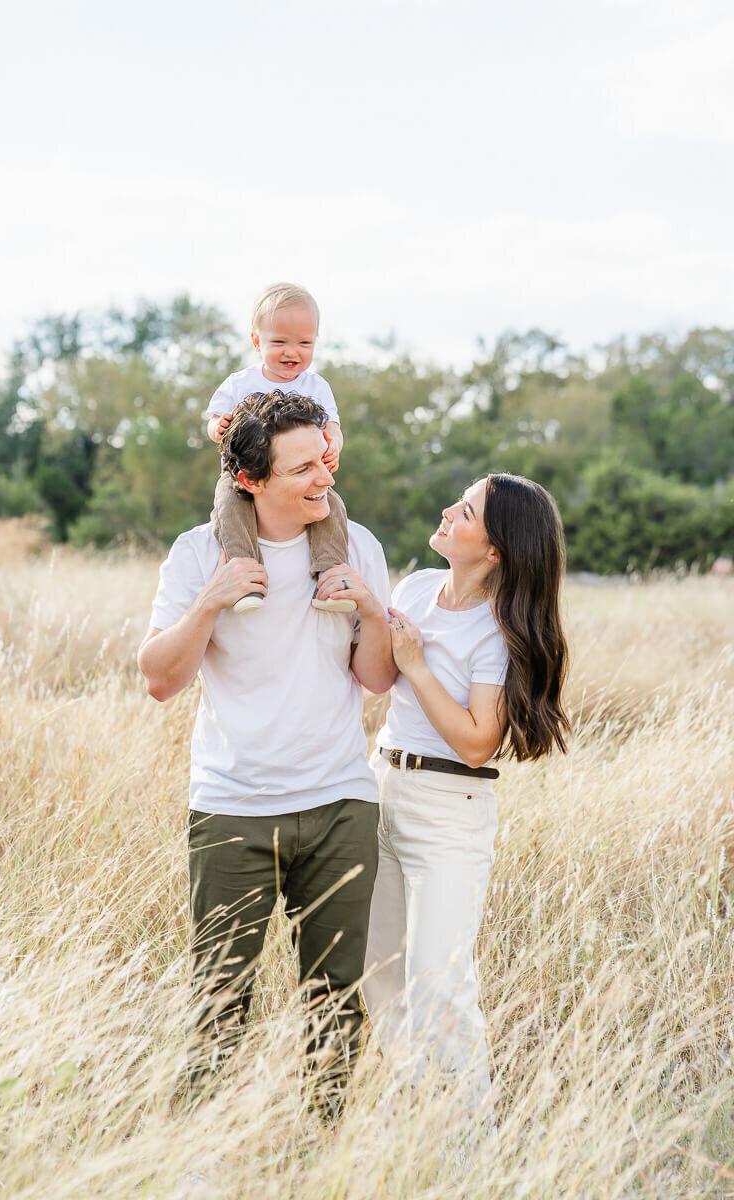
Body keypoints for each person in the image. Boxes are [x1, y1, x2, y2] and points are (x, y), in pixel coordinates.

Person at [137, 390, 395, 1117]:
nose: (324, 479)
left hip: (341, 802)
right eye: (303, 470)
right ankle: (198, 1160)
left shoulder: (356, 545)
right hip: (233, 811)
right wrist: (211, 601)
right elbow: (159, 679)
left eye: (325, 461)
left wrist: (372, 609)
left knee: (336, 1006)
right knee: (218, 1003)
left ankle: (321, 1157)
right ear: (250, 480)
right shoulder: (199, 552)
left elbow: (375, 678)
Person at [363, 473, 570, 1122]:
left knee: (439, 983)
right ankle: (413, 1118)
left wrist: (417, 664)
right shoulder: (416, 589)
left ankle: (469, 1149)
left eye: (469, 511)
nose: (449, 511)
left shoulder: (498, 632)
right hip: (381, 787)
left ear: (497, 550)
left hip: (451, 810)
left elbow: (478, 741)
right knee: (379, 974)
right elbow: (375, 676)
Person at [205, 282, 353, 614]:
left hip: (303, 477)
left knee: (332, 508)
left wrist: (335, 445)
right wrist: (219, 427)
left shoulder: (316, 385)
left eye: (304, 343)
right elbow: (213, 420)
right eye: (279, 342)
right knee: (229, 507)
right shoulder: (240, 383)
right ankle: (245, 576)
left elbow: (332, 425)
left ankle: (330, 573)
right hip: (242, 473)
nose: (292, 352)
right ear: (257, 341)